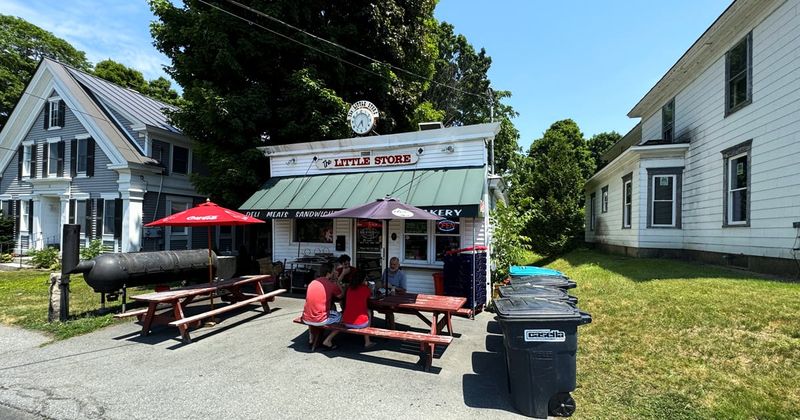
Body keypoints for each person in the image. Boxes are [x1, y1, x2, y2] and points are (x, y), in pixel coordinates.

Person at [322, 270, 376, 349]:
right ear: (363, 280)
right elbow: (370, 296)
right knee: (369, 311)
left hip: (346, 322)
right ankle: (367, 341)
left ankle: (328, 339)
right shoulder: (365, 289)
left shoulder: (349, 289)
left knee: (342, 319)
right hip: (360, 323)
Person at [301, 263, 342, 348]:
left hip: (305, 317)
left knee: (313, 310)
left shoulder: (313, 282)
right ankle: (328, 341)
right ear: (329, 273)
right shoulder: (330, 284)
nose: (335, 272)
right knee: (343, 318)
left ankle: (311, 338)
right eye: (333, 270)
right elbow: (341, 295)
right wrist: (337, 281)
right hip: (320, 319)